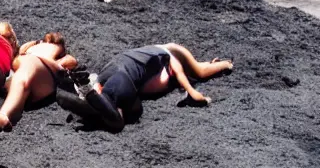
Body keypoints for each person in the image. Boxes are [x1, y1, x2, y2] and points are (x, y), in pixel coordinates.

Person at [57, 43, 233, 132]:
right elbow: (186, 72)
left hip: (109, 72)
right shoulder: (167, 55)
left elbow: (190, 71)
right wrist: (194, 93)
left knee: (102, 112)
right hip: (123, 77)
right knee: (117, 122)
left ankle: (78, 96)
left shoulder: (147, 54)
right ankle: (85, 93)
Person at [0, 32, 78, 131]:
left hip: (39, 72)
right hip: (27, 71)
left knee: (23, 80)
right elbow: (20, 51)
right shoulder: (34, 46)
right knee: (22, 83)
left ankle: (4, 113)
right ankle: (11, 112)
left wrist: (40, 57)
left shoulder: (60, 52)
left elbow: (64, 67)